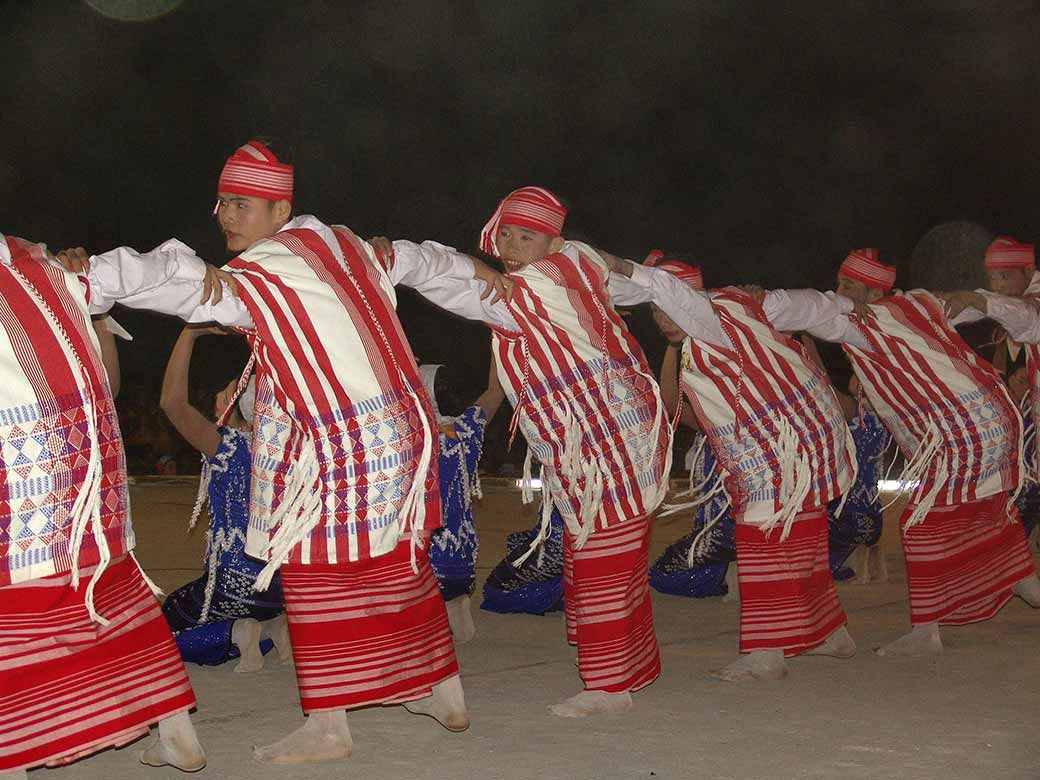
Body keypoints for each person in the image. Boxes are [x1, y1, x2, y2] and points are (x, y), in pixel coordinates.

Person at [56, 139, 512, 764]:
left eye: (241, 204)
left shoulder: (263, 271)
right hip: (405, 439)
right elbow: (420, 260)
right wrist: (477, 271)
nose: (224, 215)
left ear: (280, 207)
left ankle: (329, 725)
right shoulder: (348, 246)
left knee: (309, 568)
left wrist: (73, 281)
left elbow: (171, 277)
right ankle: (441, 689)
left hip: (339, 445)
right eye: (221, 203)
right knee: (394, 563)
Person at [391, 187, 673, 716]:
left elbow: (450, 287)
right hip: (614, 436)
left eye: (527, 236)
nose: (512, 246)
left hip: (605, 440)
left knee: (600, 557)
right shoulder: (578, 267)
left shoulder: (536, 283)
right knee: (612, 556)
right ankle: (626, 672)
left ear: (555, 241)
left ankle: (609, 688)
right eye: (506, 234)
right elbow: (621, 269)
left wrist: (401, 261)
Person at [0, 233, 204, 777]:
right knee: (109, 584)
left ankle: (12, 760)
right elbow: (142, 271)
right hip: (91, 464)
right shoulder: (47, 271)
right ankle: (175, 727)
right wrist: (198, 272)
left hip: (21, 468)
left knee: (16, 608)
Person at [604, 251, 859, 682]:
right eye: (654, 311)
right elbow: (675, 408)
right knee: (799, 540)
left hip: (782, 447)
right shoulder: (712, 323)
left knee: (759, 539)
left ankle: (766, 655)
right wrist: (672, 344)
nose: (663, 318)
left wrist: (851, 306)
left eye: (668, 306)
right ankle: (832, 635)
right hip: (792, 443)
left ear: (688, 297)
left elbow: (809, 305)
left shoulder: (713, 315)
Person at [801, 247, 1040, 656]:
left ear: (875, 295)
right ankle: (1020, 578)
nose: (838, 291)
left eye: (848, 286)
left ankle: (927, 632)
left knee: (920, 522)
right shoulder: (916, 308)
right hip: (984, 424)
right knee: (983, 509)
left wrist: (752, 306)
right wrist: (979, 299)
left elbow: (812, 310)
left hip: (965, 430)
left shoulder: (878, 318)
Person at [158, 325, 291, 671]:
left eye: (228, 391)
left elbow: (172, 403)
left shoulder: (227, 446)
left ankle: (236, 633)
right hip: (281, 587)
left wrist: (188, 333)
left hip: (235, 584)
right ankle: (271, 628)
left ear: (235, 407)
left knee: (160, 629)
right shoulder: (291, 451)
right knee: (251, 608)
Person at [420, 358, 506, 642]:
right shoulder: (467, 429)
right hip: (463, 565)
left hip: (424, 567)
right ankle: (454, 601)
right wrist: (500, 347)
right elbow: (495, 390)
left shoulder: (415, 440)